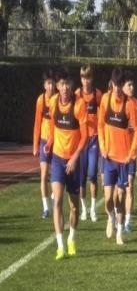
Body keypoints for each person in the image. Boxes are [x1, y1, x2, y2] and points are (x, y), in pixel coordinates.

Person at [44, 68, 87, 260]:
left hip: (74, 161)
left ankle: (72, 238)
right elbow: (53, 126)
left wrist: (75, 157)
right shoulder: (53, 102)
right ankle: (60, 246)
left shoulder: (79, 105)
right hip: (58, 158)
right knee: (57, 201)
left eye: (67, 83)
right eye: (61, 84)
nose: (64, 87)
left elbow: (85, 136)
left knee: (74, 207)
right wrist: (50, 142)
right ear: (58, 86)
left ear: (71, 85)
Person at [98, 68, 137, 246]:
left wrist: (131, 154)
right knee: (108, 199)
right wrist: (102, 147)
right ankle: (111, 217)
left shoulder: (130, 104)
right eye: (114, 85)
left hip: (124, 160)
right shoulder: (105, 99)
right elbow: (100, 125)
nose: (116, 88)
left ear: (122, 86)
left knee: (121, 196)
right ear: (112, 84)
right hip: (108, 158)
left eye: (119, 85)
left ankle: (120, 232)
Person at [75, 65, 102, 222]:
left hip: (93, 139)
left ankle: (93, 208)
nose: (86, 81)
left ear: (92, 78)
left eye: (88, 77)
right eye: (83, 77)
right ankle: (84, 209)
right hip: (81, 142)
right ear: (81, 78)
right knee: (82, 177)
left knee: (92, 174)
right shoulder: (76, 95)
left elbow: (103, 115)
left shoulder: (97, 94)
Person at [33, 69, 56, 219]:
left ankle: (54, 197)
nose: (51, 86)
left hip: (57, 141)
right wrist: (35, 145)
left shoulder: (59, 99)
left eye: (53, 83)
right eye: (48, 83)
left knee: (56, 174)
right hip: (43, 141)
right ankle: (46, 207)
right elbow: (37, 123)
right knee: (44, 174)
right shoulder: (41, 100)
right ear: (44, 85)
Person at [122, 71, 137, 233]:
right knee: (118, 190)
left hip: (131, 153)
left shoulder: (136, 103)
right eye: (129, 85)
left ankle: (128, 220)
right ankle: (116, 217)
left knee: (129, 185)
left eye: (133, 85)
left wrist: (136, 145)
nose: (132, 87)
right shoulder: (117, 103)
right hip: (118, 152)